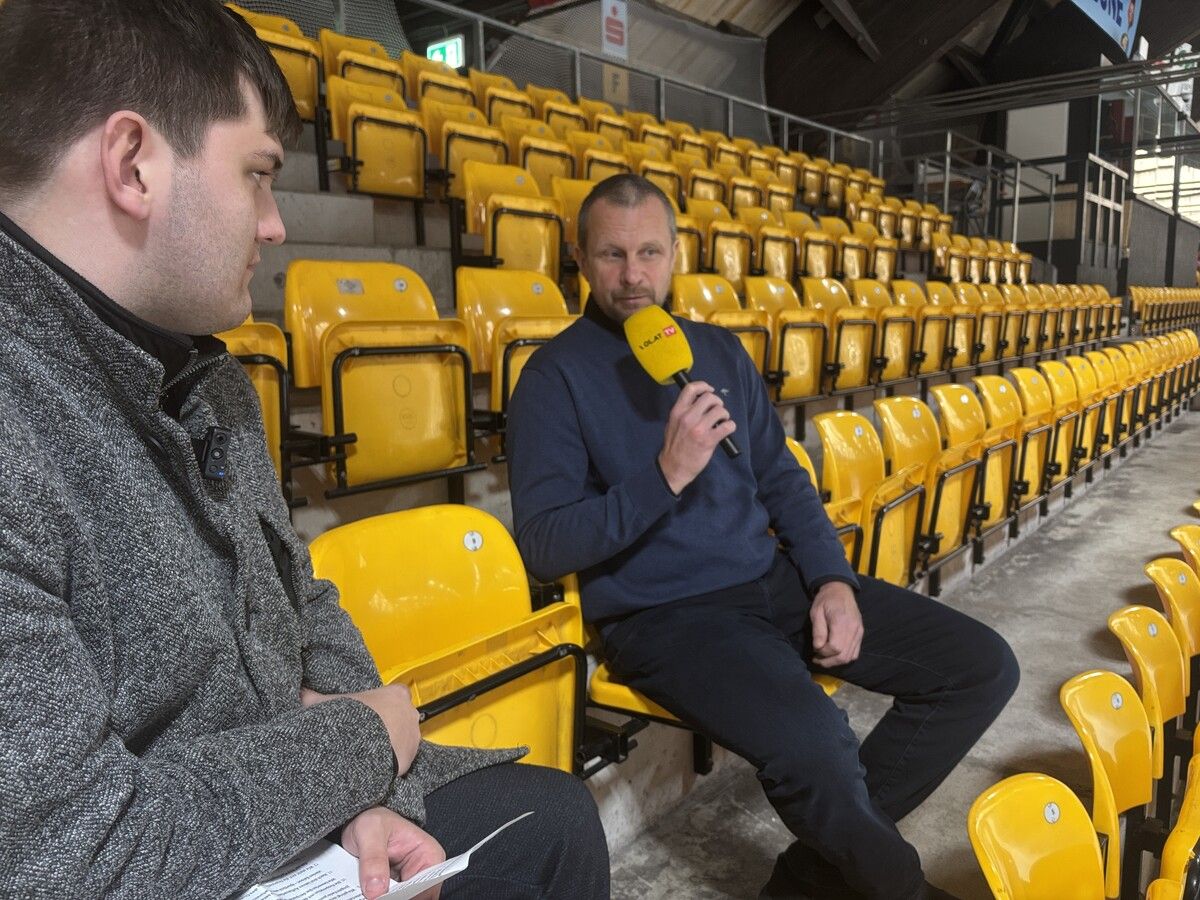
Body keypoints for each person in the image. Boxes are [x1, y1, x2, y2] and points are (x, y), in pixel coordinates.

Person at [0, 2, 608, 898]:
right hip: (159, 853)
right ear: (133, 164)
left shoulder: (205, 370)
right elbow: (74, 861)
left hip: (261, 799)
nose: (275, 223)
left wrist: (362, 794)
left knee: (549, 821)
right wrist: (359, 747)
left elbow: (298, 595)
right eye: (255, 175)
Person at [506, 174, 1020, 900]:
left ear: (676, 253)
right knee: (817, 748)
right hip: (663, 618)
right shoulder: (552, 378)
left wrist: (831, 580)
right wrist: (664, 474)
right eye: (612, 255)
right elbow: (546, 544)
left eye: (649, 252)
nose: (633, 275)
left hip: (769, 583)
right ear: (580, 260)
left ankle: (814, 874)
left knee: (979, 666)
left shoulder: (717, 350)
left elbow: (781, 481)